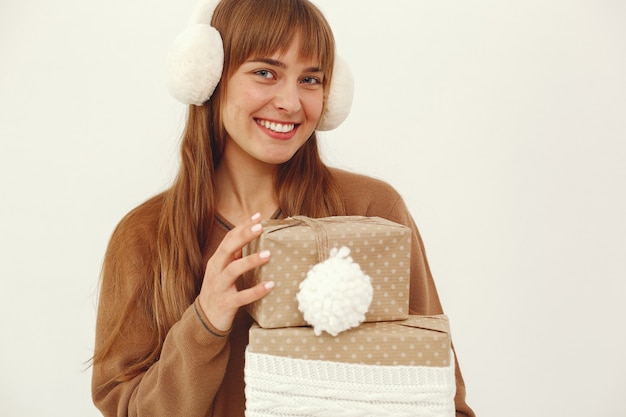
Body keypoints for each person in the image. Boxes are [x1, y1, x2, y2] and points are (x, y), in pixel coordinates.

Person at [91, 0, 475, 416]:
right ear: (210, 76)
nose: (291, 102)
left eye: (310, 79)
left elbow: (438, 393)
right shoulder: (144, 236)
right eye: (265, 73)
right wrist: (205, 323)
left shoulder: (371, 210)